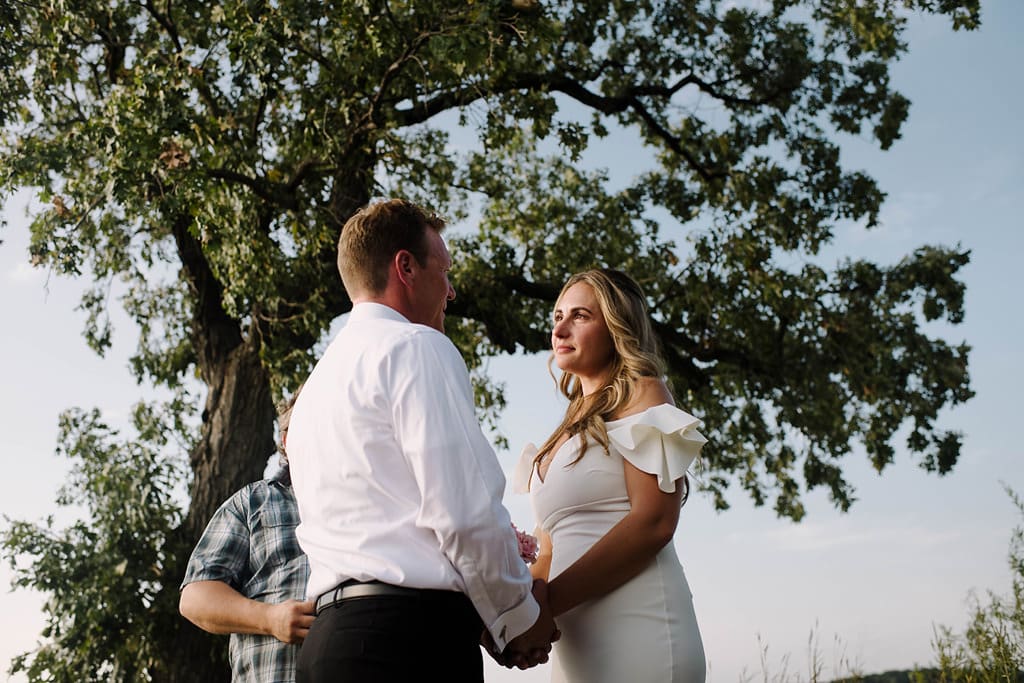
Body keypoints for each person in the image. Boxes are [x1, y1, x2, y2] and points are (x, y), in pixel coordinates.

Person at [285, 198, 558, 682]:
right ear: (405, 267)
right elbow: (463, 515)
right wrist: (517, 619)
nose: (450, 292)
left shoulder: (316, 389)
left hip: (326, 651)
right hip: (406, 648)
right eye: (445, 272)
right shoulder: (416, 347)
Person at [512, 268, 708, 682]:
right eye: (557, 316)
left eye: (580, 316)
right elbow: (548, 547)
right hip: (576, 643)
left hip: (639, 630)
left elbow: (654, 522)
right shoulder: (563, 430)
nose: (560, 328)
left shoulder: (645, 393)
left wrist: (547, 606)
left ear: (616, 327)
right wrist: (518, 616)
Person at [179, 391, 314, 683]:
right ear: (287, 442)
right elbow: (195, 597)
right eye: (311, 424)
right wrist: (270, 619)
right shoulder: (253, 502)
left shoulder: (370, 501)